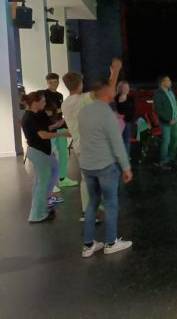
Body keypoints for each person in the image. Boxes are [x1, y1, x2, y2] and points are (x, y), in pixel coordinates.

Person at [79, 80, 134, 258]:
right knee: (110, 203)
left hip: (87, 165)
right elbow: (117, 143)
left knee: (92, 203)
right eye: (111, 90)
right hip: (105, 166)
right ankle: (111, 243)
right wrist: (126, 167)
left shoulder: (84, 111)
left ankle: (88, 245)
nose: (114, 91)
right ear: (105, 93)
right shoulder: (107, 114)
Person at [62, 59, 121, 221]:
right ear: (79, 84)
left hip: (80, 146)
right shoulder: (81, 99)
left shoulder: (66, 103)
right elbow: (108, 90)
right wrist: (115, 71)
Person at [21, 91, 71, 223]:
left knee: (53, 170)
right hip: (38, 152)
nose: (45, 103)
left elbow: (44, 129)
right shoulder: (29, 117)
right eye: (42, 101)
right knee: (41, 182)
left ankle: (45, 201)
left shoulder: (36, 114)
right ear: (35, 103)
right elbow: (43, 135)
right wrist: (62, 134)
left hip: (44, 151)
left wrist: (56, 126)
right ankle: (37, 215)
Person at [44, 73, 78, 188]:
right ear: (47, 83)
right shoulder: (43, 95)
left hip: (61, 128)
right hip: (50, 129)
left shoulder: (60, 95)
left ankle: (62, 179)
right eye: (51, 82)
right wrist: (59, 110)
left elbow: (60, 112)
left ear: (58, 82)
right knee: (50, 155)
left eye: (55, 81)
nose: (53, 84)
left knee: (63, 154)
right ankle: (50, 183)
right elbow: (45, 112)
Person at [153, 75, 177, 169]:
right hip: (166, 121)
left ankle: (171, 158)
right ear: (162, 83)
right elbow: (158, 109)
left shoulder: (171, 91)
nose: (170, 82)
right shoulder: (158, 93)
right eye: (168, 80)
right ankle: (163, 161)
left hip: (174, 120)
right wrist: (168, 119)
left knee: (175, 139)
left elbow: (176, 103)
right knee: (166, 141)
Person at [115, 81, 135, 157]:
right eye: (125, 87)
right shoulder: (115, 99)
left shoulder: (131, 98)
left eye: (128, 87)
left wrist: (127, 118)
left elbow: (133, 111)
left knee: (126, 142)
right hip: (117, 124)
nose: (127, 89)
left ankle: (126, 160)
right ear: (120, 88)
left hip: (127, 123)